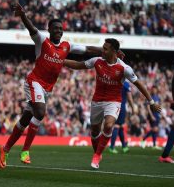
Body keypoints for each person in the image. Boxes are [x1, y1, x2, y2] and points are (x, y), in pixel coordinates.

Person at [0, 3, 100, 169]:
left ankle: (5, 148)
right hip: (34, 82)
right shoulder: (42, 41)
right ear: (49, 30)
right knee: (40, 112)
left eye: (61, 29)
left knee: (26, 118)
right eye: (55, 28)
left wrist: (105, 52)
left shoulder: (67, 46)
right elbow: (31, 29)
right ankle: (25, 150)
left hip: (47, 88)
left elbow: (87, 49)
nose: (59, 31)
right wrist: (23, 15)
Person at [64, 38, 161, 169]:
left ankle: (97, 155)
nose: (102, 50)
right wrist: (60, 61)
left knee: (109, 125)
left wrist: (151, 102)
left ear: (114, 51)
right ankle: (97, 152)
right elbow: (78, 65)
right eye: (102, 48)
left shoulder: (124, 68)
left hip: (113, 102)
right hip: (97, 101)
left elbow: (139, 84)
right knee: (94, 132)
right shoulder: (97, 61)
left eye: (105, 48)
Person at [109, 51, 135, 154]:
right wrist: (133, 107)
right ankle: (112, 147)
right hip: (121, 106)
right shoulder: (126, 84)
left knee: (119, 125)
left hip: (112, 104)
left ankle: (124, 145)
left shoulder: (113, 80)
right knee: (117, 126)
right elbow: (129, 98)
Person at [140, 86, 162, 150]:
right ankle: (143, 139)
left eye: (155, 89)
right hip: (152, 115)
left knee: (155, 130)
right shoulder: (150, 97)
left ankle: (154, 145)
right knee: (154, 129)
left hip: (157, 115)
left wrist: (160, 114)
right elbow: (148, 107)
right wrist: (151, 115)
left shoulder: (157, 97)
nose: (154, 91)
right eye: (153, 90)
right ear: (152, 90)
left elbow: (158, 106)